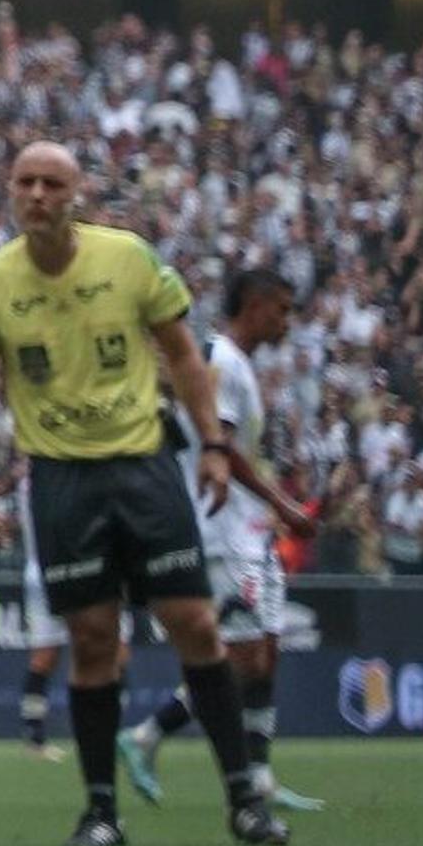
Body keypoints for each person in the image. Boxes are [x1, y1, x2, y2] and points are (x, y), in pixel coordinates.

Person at [0, 147, 286, 846]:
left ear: (78, 195)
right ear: (9, 192)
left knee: (195, 622)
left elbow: (186, 356)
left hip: (144, 467)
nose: (37, 195)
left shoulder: (129, 258)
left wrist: (216, 447)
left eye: (52, 184)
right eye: (25, 183)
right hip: (61, 478)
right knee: (92, 640)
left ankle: (244, 800)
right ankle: (101, 810)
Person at [123, 270, 325, 816]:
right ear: (255, 306)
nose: (286, 321)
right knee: (238, 657)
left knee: (264, 658)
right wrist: (283, 504)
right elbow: (223, 448)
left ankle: (259, 776)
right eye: (281, 309)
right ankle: (146, 735)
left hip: (249, 531)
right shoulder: (222, 360)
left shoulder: (235, 362)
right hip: (220, 531)